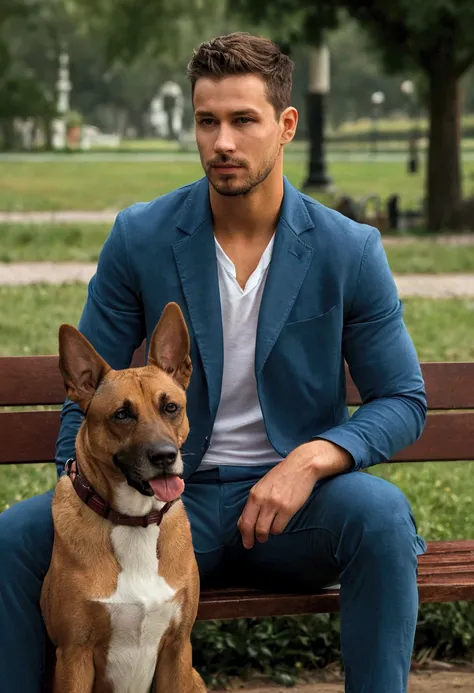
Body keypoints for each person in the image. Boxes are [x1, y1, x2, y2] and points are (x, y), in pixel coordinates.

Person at [0, 32, 427, 693]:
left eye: (243, 120)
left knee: (382, 517)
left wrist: (310, 459)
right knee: (15, 538)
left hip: (289, 510)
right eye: (208, 121)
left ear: (285, 126)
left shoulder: (350, 248)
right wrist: (81, 493)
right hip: (162, 498)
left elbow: (403, 398)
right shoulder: (140, 236)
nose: (222, 141)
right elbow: (85, 391)